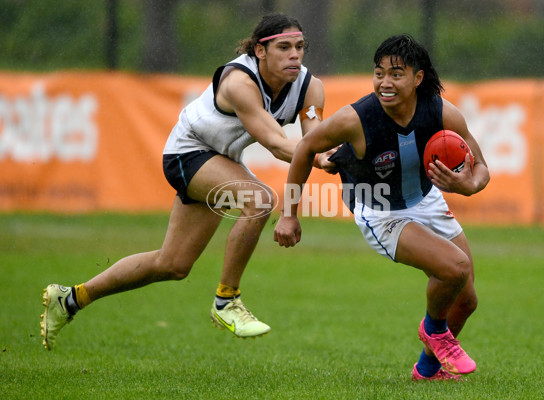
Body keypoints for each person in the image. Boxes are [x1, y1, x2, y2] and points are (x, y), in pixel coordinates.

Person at [40, 13, 331, 350]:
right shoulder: (240, 82)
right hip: (186, 154)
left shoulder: (312, 88)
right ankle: (227, 300)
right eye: (284, 47)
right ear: (260, 52)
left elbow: (312, 145)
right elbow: (280, 144)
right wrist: (321, 158)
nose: (295, 54)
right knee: (260, 199)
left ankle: (70, 299)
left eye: (299, 47)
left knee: (173, 264)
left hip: (220, 161)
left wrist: (297, 202)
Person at [274, 34, 490, 381]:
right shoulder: (356, 118)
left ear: (418, 78)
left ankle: (427, 370)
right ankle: (434, 330)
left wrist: (469, 184)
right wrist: (289, 214)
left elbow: (480, 168)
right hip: (380, 211)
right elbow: (305, 149)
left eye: (396, 74)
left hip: (426, 200)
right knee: (455, 267)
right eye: (378, 73)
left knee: (466, 301)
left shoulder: (441, 112)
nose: (385, 83)